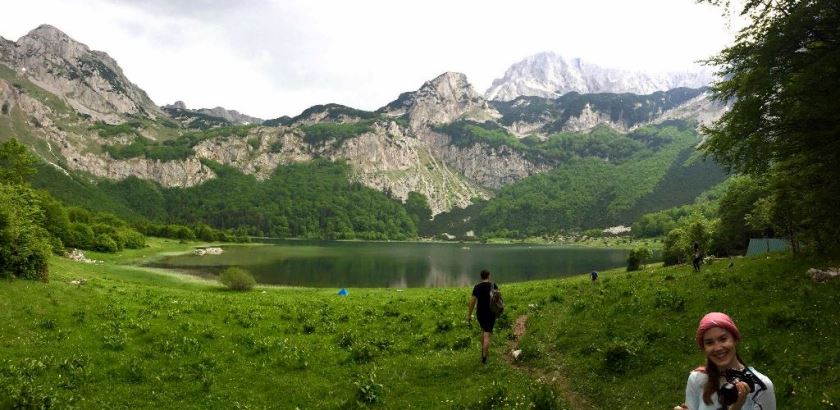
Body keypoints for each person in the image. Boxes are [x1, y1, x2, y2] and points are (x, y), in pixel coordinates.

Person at [682, 312, 776, 410]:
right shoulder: (697, 379)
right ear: (704, 348)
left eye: (723, 339)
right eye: (709, 343)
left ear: (735, 339)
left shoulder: (761, 386)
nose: (718, 348)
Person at [466, 269, 498, 364]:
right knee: (487, 334)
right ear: (489, 275)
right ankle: (484, 357)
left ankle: (484, 351)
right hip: (491, 312)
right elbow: (497, 299)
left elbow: (472, 302)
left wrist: (469, 314)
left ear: (481, 277)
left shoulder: (477, 287)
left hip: (480, 313)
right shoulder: (493, 285)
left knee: (483, 330)